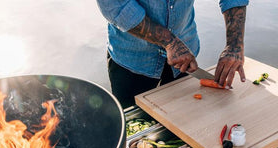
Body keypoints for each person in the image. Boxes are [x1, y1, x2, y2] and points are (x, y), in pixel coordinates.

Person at [96, 0, 248, 108]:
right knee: (133, 133)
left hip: (185, 57)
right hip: (132, 59)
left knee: (182, 126)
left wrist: (235, 45)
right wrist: (170, 42)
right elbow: (114, 5)